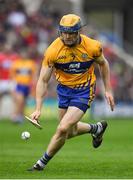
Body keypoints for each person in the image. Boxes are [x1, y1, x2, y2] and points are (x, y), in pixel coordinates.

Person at [28, 14, 115, 171]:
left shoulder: (93, 46)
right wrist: (38, 108)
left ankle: (40, 164)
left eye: (71, 33)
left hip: (84, 90)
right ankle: (96, 129)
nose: (67, 36)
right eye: (64, 32)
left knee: (62, 128)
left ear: (78, 32)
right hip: (64, 90)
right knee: (69, 132)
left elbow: (104, 64)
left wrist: (108, 90)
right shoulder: (52, 51)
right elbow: (42, 80)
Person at [10, 50, 36, 123]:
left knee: (24, 102)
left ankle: (21, 116)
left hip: (27, 85)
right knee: (19, 100)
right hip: (19, 84)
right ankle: (15, 115)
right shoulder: (16, 63)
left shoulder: (31, 63)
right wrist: (13, 84)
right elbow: (12, 75)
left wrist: (33, 84)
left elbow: (34, 75)